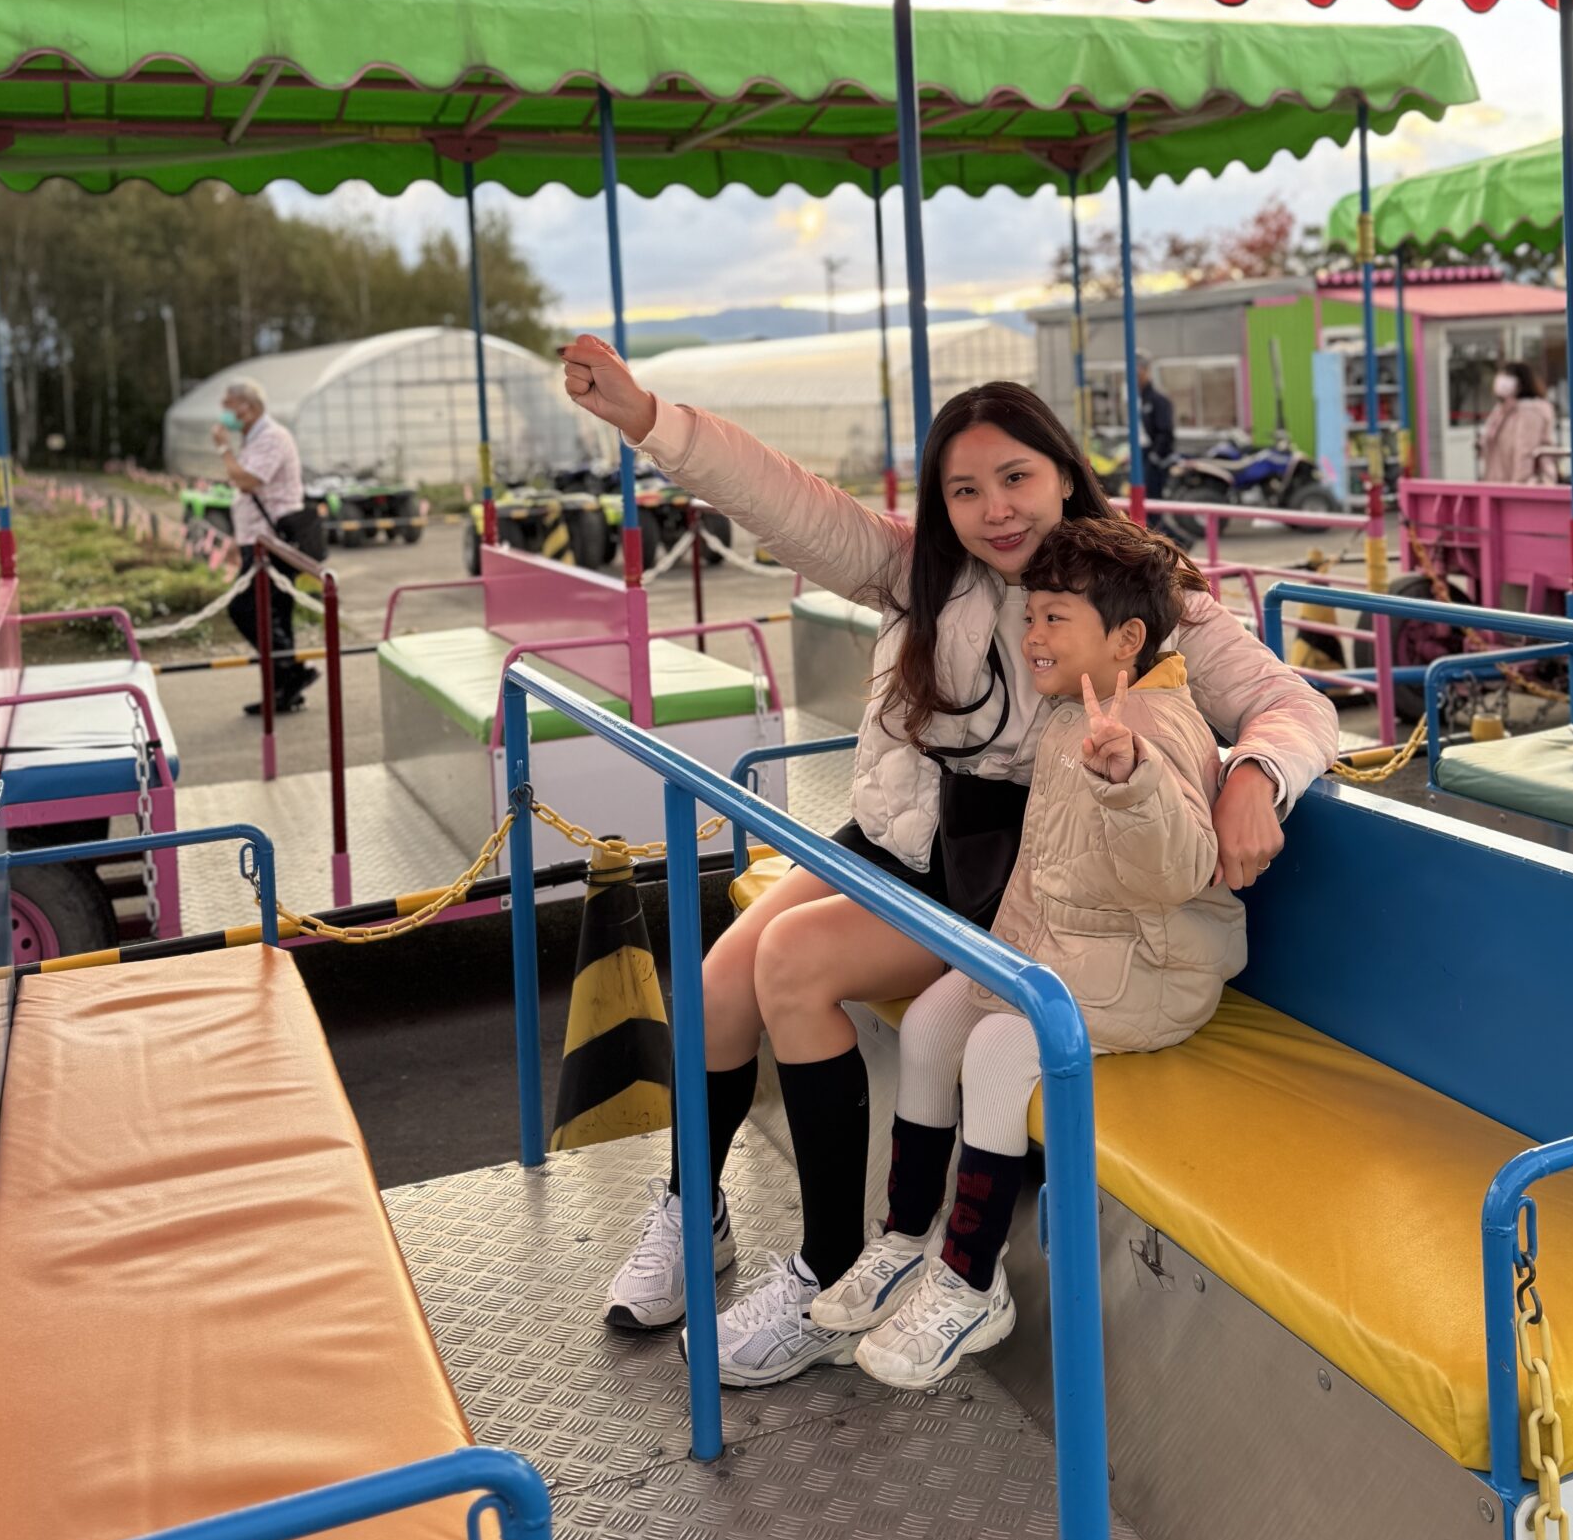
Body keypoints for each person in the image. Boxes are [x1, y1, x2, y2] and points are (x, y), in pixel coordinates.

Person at [561, 337, 1337, 1387]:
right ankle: (693, 1211)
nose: (995, 509)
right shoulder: (920, 574)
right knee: (715, 985)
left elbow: (1290, 702)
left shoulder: (1137, 593)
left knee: (791, 965)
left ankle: (828, 1270)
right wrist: (652, 420)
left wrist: (1256, 775)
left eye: (1017, 478)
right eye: (965, 490)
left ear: (1064, 474)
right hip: (903, 836)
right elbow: (789, 504)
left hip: (1000, 875)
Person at [813, 515, 1241, 1388]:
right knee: (934, 1022)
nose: (1032, 634)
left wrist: (1130, 784)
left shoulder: (1153, 726)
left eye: (1055, 619)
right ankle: (906, 1235)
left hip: (1152, 971)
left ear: (1126, 639)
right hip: (1070, 955)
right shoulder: (1072, 710)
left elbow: (1179, 870)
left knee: (1000, 1047)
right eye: (1031, 615)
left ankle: (972, 1277)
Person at [211, 377, 318, 715]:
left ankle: (292, 672)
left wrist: (223, 449)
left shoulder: (272, 437)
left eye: (229, 405)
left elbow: (247, 481)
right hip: (257, 540)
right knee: (274, 614)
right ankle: (283, 692)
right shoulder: (254, 438)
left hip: (272, 543)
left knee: (245, 608)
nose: (224, 412)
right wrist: (238, 540)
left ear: (249, 407)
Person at [1476, 359, 1557, 486]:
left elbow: (1525, 451)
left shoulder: (1531, 410)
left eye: (1507, 376)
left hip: (1523, 487)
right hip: (1501, 483)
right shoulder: (1502, 410)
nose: (1501, 381)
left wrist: (1519, 487)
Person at [1135, 352, 1175, 500]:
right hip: (1140, 453)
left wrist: (1154, 456)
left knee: (1151, 496)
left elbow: (1165, 432)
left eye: (1139, 371)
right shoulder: (1137, 399)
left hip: (1153, 457)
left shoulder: (1158, 400)